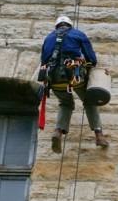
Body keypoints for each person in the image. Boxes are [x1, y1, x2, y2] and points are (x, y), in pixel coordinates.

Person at [40, 15, 109, 152]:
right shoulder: (78, 34)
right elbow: (91, 59)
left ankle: (58, 132)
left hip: (54, 79)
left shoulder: (48, 38)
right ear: (69, 25)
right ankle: (99, 135)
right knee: (89, 101)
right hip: (74, 75)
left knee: (65, 103)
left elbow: (44, 61)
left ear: (57, 26)